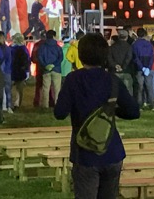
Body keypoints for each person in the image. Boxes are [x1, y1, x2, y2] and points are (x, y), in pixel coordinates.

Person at [54, 33, 141, 199]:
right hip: (112, 150)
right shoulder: (113, 81)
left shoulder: (73, 80)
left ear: (80, 54)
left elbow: (59, 113)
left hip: (84, 152)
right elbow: (133, 111)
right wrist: (111, 110)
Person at [38, 30, 63, 108]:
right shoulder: (57, 47)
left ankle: (45, 105)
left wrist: (45, 65)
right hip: (56, 69)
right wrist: (54, 65)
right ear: (54, 36)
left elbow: (40, 57)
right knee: (57, 89)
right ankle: (57, 104)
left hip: (46, 70)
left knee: (45, 88)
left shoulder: (42, 46)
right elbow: (61, 58)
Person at [132, 28, 154, 109]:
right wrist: (148, 67)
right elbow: (152, 57)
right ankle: (152, 104)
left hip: (139, 68)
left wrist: (142, 68)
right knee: (149, 87)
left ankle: (139, 105)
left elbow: (135, 58)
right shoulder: (149, 44)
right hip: (148, 67)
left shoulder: (135, 44)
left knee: (139, 87)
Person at [108, 29, 135, 95]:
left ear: (118, 36)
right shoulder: (129, 47)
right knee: (128, 91)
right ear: (127, 37)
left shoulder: (112, 47)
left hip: (114, 71)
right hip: (126, 71)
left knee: (115, 91)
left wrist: (115, 65)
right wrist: (123, 67)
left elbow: (109, 58)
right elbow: (129, 58)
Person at [0, 32, 13, 115]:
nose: (3, 39)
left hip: (3, 71)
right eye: (1, 37)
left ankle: (6, 106)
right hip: (5, 71)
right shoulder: (6, 48)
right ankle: (5, 106)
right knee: (5, 89)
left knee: (5, 89)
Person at [10, 33, 31, 109]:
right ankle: (17, 103)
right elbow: (27, 61)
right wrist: (27, 70)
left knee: (9, 88)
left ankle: (9, 102)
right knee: (19, 89)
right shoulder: (24, 49)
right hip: (21, 71)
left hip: (11, 71)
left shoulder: (10, 48)